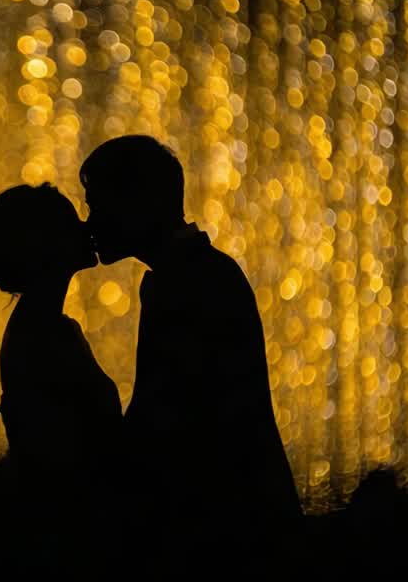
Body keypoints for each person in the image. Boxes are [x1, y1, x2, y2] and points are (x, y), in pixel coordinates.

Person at [79, 135, 303, 571]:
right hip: (247, 518)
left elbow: (162, 415)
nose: (90, 224)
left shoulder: (179, 282)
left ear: (139, 203)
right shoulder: (204, 270)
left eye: (98, 206)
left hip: (225, 532)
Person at [0, 182, 126, 574]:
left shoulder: (36, 326)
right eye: (70, 222)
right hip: (68, 544)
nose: (86, 227)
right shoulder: (48, 336)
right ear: (45, 245)